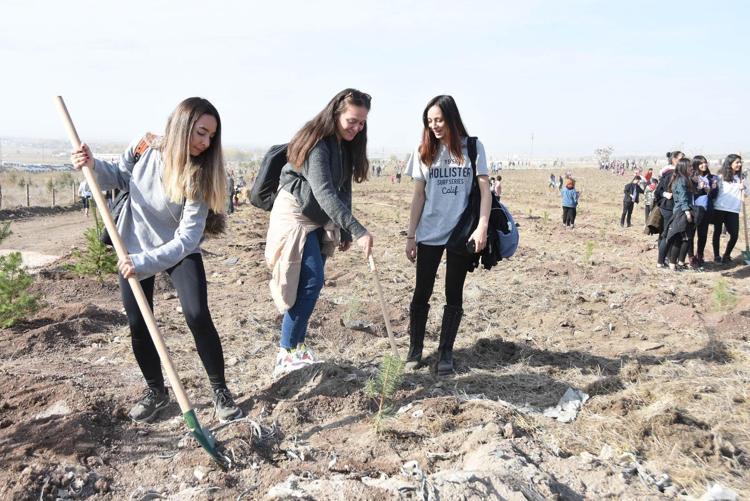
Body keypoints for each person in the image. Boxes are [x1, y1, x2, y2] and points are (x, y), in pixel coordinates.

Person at [70, 97, 242, 424]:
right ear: (181, 126)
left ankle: (221, 392)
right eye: (201, 133)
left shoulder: (200, 174)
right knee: (138, 322)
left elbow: (187, 239)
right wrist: (91, 164)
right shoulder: (144, 147)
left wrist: (145, 263)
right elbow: (118, 176)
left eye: (211, 136)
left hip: (177, 249)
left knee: (197, 314)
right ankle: (156, 391)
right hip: (133, 245)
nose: (206, 143)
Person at [265, 88, 374, 378]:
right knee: (309, 281)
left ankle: (297, 347)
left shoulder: (345, 146)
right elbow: (324, 192)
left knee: (311, 283)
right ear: (336, 113)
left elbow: (343, 190)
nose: (357, 127)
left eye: (362, 123)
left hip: (317, 216)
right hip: (295, 214)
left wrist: (345, 231)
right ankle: (286, 352)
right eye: (352, 121)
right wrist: (358, 230)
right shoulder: (318, 144)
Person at [404, 95, 491, 376]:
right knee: (422, 292)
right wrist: (411, 236)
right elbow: (418, 196)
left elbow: (485, 191)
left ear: (451, 118)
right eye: (430, 121)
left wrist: (482, 226)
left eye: (439, 120)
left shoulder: (473, 148)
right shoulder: (423, 151)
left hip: (460, 234)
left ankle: (445, 352)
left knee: (453, 293)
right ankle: (415, 350)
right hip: (429, 233)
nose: (434, 126)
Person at [711, 154, 745, 264]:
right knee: (717, 232)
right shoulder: (720, 176)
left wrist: (743, 187)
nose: (739, 164)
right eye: (737, 162)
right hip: (719, 208)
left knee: (734, 234)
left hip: (733, 209)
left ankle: (726, 255)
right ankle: (717, 256)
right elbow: (715, 192)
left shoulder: (741, 178)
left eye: (740, 162)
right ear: (730, 164)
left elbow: (746, 193)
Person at [664, 159, 697, 270]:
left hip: (682, 210)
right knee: (679, 239)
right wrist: (687, 212)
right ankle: (673, 265)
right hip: (682, 212)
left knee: (685, 238)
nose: (691, 168)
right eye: (689, 166)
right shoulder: (681, 180)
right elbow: (683, 197)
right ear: (683, 167)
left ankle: (678, 263)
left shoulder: (684, 179)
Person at [692, 156, 718, 266]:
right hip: (694, 210)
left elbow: (714, 195)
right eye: (701, 163)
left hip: (707, 209)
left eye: (705, 163)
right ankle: (691, 257)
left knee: (703, 234)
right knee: (691, 234)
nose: (704, 165)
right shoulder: (692, 177)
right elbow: (689, 193)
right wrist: (699, 188)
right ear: (696, 165)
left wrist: (712, 189)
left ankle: (700, 255)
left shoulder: (712, 178)